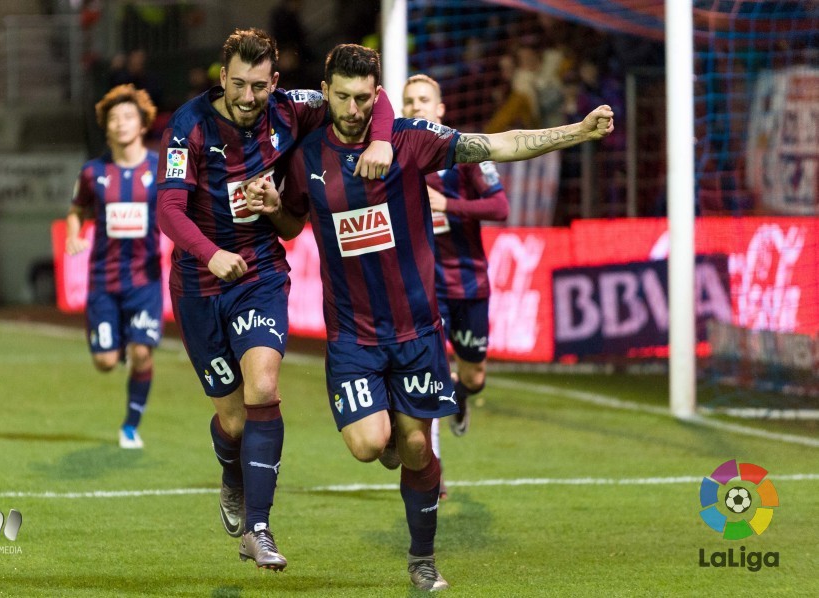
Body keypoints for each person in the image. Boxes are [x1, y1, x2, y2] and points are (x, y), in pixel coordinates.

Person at [252, 44, 612, 591]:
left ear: (378, 97)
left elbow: (498, 143)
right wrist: (273, 208)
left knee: (419, 446)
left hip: (417, 330)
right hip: (352, 335)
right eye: (342, 97)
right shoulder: (305, 157)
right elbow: (292, 224)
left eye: (362, 98)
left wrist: (576, 132)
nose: (352, 109)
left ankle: (422, 558)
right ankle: (393, 434)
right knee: (369, 445)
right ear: (326, 92)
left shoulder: (409, 141)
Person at [155, 28, 393, 571]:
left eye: (258, 86)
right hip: (198, 284)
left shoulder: (292, 110)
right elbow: (169, 210)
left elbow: (367, 95)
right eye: (237, 84)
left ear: (276, 83)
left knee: (264, 383)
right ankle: (231, 468)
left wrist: (381, 138)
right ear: (221, 78)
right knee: (235, 421)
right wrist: (210, 253)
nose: (247, 97)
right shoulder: (187, 127)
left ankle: (258, 530)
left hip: (260, 273)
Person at [401, 74, 510, 499]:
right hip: (423, 285)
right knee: (431, 377)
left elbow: (499, 206)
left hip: (467, 280)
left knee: (474, 374)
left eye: (424, 100)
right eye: (409, 100)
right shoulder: (395, 155)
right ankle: (434, 473)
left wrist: (448, 204)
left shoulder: (464, 152)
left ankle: (463, 395)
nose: (415, 107)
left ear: (440, 109)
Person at [65, 84, 162, 450]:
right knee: (106, 362)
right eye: (113, 118)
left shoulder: (160, 169)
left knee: (141, 353)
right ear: (105, 127)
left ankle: (130, 427)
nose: (120, 124)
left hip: (145, 279)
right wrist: (74, 234)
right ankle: (117, 343)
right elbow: (76, 211)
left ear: (142, 124)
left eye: (128, 117)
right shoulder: (92, 172)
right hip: (103, 280)